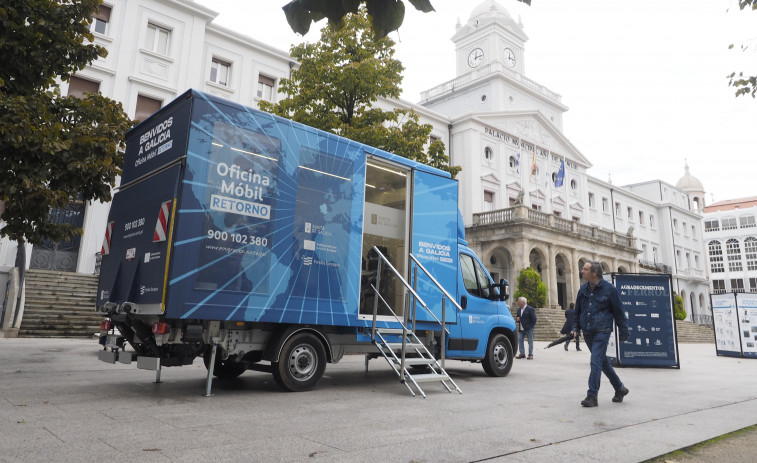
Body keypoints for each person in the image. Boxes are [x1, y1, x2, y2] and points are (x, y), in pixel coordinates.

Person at [572, 261, 629, 407]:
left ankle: (592, 395)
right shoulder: (583, 289)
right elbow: (577, 311)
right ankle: (619, 388)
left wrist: (623, 332)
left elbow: (619, 312)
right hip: (588, 331)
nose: (581, 271)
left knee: (595, 360)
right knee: (602, 362)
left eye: (585, 269)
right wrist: (575, 328)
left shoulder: (610, 290)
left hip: (602, 331)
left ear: (594, 273)